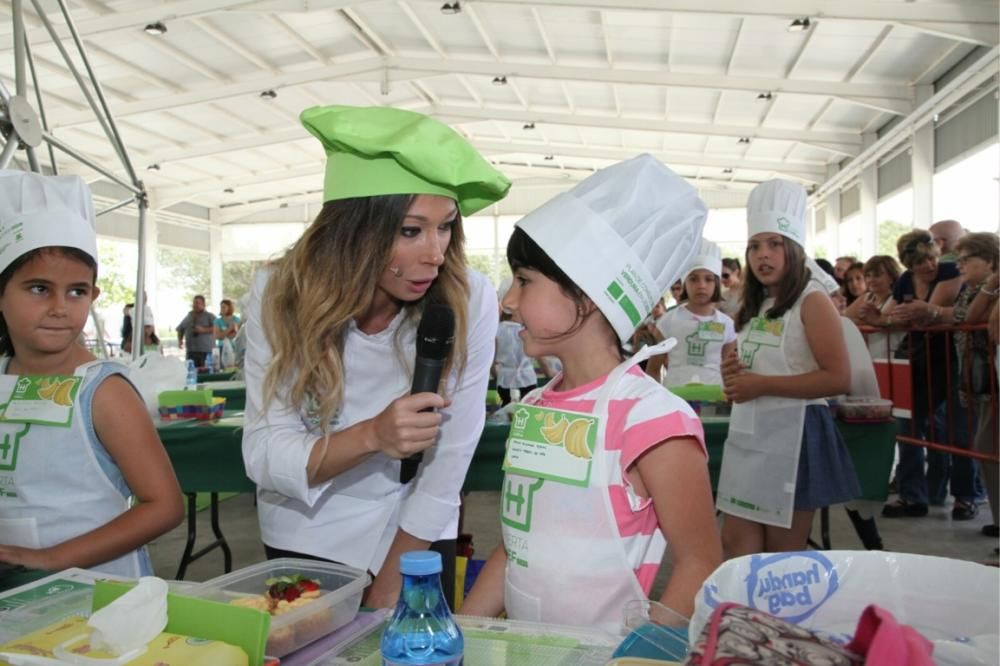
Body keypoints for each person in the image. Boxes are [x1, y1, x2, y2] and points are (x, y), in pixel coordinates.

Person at [241, 105, 510, 609]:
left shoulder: (468, 298)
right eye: (411, 230)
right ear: (352, 230)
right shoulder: (278, 293)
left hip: (419, 529)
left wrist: (393, 579)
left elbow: (450, 459)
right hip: (306, 529)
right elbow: (263, 451)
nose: (435, 253)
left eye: (446, 226)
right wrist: (372, 436)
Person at [462, 155, 722, 628]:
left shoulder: (652, 420)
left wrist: (640, 656)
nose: (508, 300)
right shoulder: (536, 407)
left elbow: (700, 562)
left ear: (588, 293)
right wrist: (461, 632)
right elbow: (516, 545)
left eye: (524, 281)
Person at [0, 170, 183, 577]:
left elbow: (164, 505)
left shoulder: (103, 392)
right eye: (38, 289)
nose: (60, 307)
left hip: (101, 602)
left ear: (94, 296)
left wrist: (52, 559)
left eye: (77, 291)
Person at [717, 179, 860, 557]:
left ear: (793, 248)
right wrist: (732, 374)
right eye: (754, 247)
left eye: (774, 244)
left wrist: (762, 384)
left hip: (796, 436)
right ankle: (741, 616)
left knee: (781, 555)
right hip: (749, 435)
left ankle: (772, 618)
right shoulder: (755, 304)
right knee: (737, 545)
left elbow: (837, 377)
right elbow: (748, 372)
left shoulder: (812, 301)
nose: (762, 256)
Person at [876, 230, 976, 520]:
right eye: (921, 262)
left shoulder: (950, 270)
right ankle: (912, 495)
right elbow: (891, 315)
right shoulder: (907, 281)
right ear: (908, 264)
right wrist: (887, 317)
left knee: (958, 432)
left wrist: (924, 311)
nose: (929, 265)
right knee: (907, 429)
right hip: (918, 361)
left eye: (932, 258)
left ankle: (965, 497)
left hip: (952, 360)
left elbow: (945, 311)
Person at [951, 233, 999, 532]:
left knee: (988, 448)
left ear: (991, 261)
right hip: (984, 383)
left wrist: (993, 285)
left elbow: (969, 318)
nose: (960, 266)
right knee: (986, 449)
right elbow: (968, 316)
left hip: (991, 381)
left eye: (966, 259)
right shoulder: (972, 290)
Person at [648, 240, 737, 389]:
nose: (701, 285)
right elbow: (653, 369)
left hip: (715, 401)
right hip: (676, 401)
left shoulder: (727, 324)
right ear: (684, 284)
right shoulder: (668, 321)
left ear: (716, 283)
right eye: (693, 279)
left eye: (708, 279)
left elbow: (729, 372)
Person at [494, 278, 549, 405]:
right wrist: (548, 372)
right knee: (529, 407)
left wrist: (496, 374)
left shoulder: (498, 329)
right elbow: (540, 357)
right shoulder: (530, 329)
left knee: (506, 407)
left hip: (504, 379)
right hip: (527, 377)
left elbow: (492, 360)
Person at [843, 255, 904, 360]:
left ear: (891, 276)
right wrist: (870, 321)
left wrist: (866, 320)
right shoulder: (867, 297)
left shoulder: (897, 298)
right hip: (870, 355)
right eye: (867, 276)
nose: (871, 280)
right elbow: (844, 319)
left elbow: (885, 321)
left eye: (877, 275)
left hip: (892, 355)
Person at [176, 295, 215, 368]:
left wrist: (203, 330)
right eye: (194, 303)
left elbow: (217, 328)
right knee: (192, 371)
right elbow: (180, 328)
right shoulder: (189, 316)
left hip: (206, 352)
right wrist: (180, 340)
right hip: (191, 351)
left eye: (197, 303)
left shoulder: (209, 316)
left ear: (203, 304)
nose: (195, 305)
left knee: (205, 372)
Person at [214, 298, 241, 367]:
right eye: (221, 307)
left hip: (234, 348)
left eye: (224, 307)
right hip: (222, 348)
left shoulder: (236, 320)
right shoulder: (217, 321)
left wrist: (223, 333)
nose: (221, 309)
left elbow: (236, 335)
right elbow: (218, 336)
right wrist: (230, 328)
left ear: (229, 308)